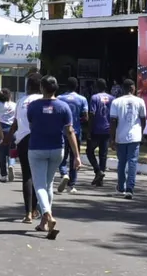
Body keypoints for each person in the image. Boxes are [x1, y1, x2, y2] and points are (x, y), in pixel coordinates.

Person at [28, 75, 80, 236]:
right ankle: (44, 222)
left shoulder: (33, 106)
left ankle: (48, 215)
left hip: (37, 148)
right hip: (57, 149)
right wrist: (77, 155)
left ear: (42, 88)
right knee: (48, 184)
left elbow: (31, 124)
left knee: (39, 186)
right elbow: (70, 131)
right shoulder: (64, 107)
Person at [7, 73, 42, 223]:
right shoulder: (43, 100)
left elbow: (15, 124)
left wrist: (7, 139)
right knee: (38, 177)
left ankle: (27, 212)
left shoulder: (20, 101)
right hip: (39, 140)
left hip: (22, 141)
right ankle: (35, 209)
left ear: (28, 86)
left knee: (26, 176)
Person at [108, 79, 147, 200]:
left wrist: (112, 138)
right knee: (133, 162)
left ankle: (121, 186)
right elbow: (143, 120)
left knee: (122, 162)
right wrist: (140, 132)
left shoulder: (116, 102)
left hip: (121, 136)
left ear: (123, 89)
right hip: (135, 136)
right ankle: (130, 188)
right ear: (133, 88)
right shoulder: (140, 101)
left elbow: (113, 122)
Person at [57, 77, 88, 194]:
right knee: (75, 157)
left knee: (62, 156)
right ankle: (72, 185)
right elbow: (85, 117)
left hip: (62, 131)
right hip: (76, 132)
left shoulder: (59, 98)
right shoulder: (82, 99)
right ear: (77, 86)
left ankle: (64, 173)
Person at [87, 79, 114, 186]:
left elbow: (92, 114)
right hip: (107, 129)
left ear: (96, 87)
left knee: (89, 151)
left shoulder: (94, 98)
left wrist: (89, 130)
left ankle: (98, 171)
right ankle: (100, 178)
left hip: (96, 129)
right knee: (103, 155)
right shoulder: (112, 98)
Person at [0, 88, 17, 182]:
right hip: (12, 129)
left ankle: (3, 175)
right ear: (10, 96)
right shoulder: (14, 105)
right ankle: (11, 164)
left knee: (1, 152)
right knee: (13, 150)